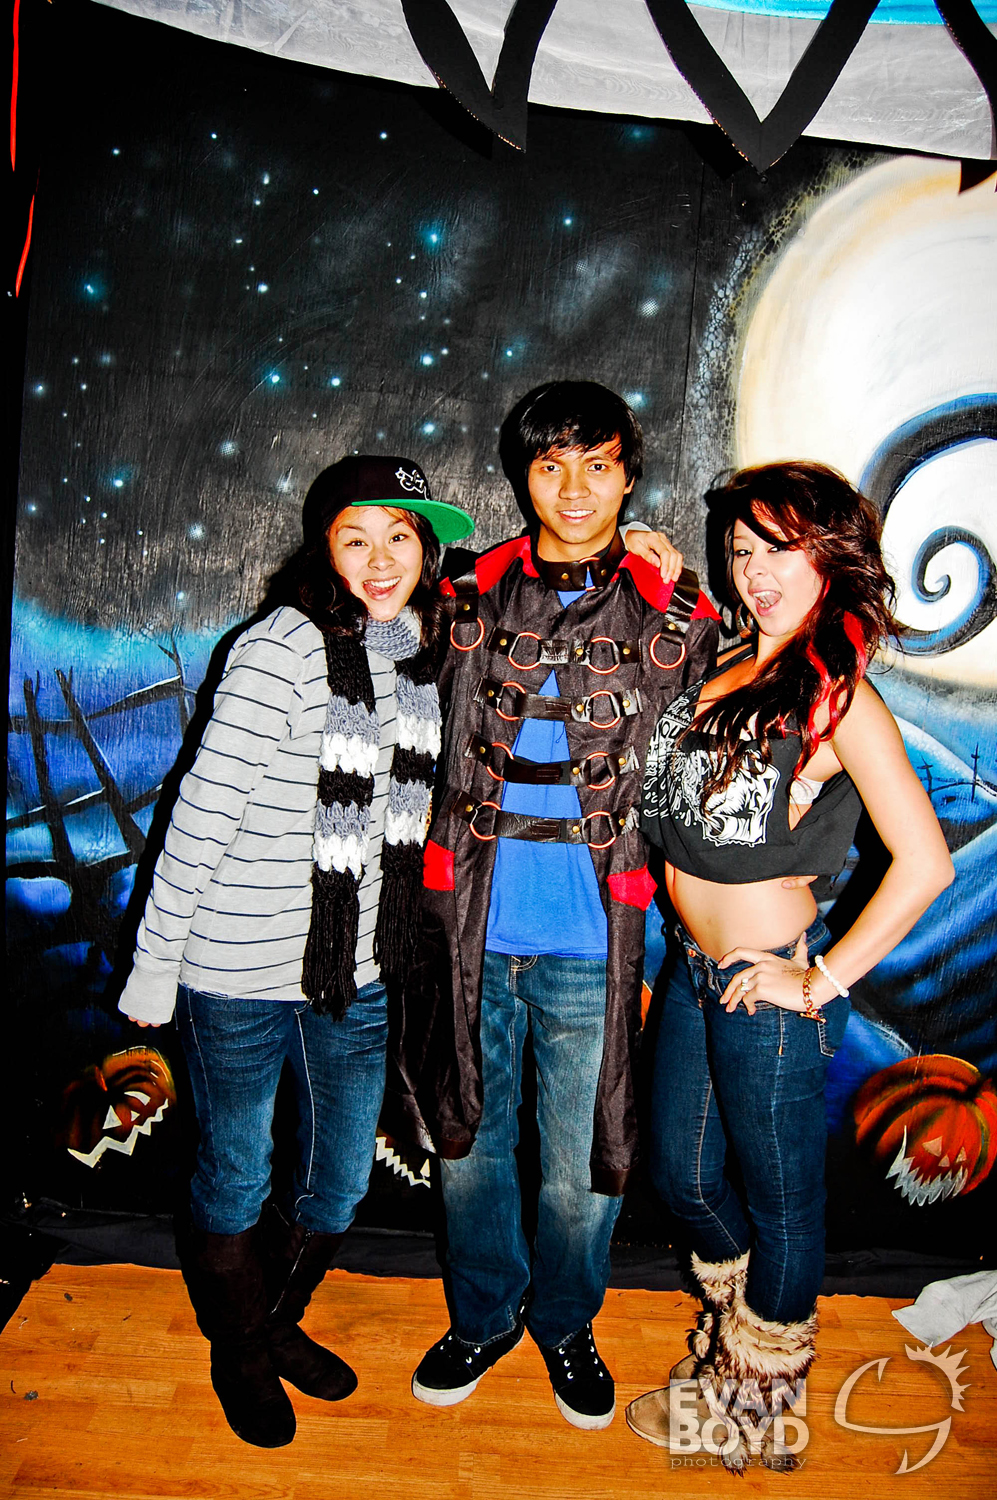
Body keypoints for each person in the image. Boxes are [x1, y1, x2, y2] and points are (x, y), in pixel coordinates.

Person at [117, 455, 474, 1448]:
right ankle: (241, 1348)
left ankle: (271, 1319)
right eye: (356, 538)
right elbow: (201, 810)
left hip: (353, 973)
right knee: (237, 1172)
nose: (380, 559)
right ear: (323, 548)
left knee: (340, 1181)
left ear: (427, 551)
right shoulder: (280, 647)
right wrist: (156, 959)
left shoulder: (420, 652)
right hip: (236, 968)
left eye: (400, 537)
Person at [387, 380, 720, 1431]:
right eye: (550, 465)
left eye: (597, 464)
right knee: (469, 1149)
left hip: (592, 938)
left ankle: (566, 1324)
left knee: (582, 1171)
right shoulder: (465, 596)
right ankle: (483, 1316)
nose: (573, 488)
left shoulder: (675, 611)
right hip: (471, 931)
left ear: (627, 475)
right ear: (522, 476)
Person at [626, 461, 954, 1469]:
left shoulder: (838, 698)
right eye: (741, 550)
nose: (754, 571)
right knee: (683, 1179)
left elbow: (926, 864)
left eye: (780, 549)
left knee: (781, 1209)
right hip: (693, 970)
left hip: (766, 987)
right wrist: (673, 577)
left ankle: (752, 1402)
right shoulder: (727, 666)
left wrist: (819, 981)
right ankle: (738, 1336)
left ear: (831, 558)